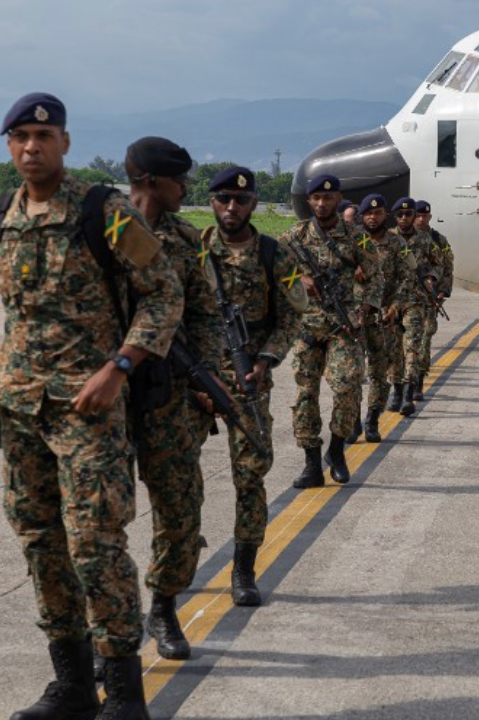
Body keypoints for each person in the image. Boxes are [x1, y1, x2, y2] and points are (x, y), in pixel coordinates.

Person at [0, 93, 182, 719]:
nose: (31, 147)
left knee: (95, 546)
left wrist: (120, 365)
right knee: (41, 545)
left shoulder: (101, 212)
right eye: (19, 136)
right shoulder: (4, 213)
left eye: (42, 137)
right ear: (9, 145)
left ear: (65, 144)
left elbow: (163, 293)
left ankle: (125, 695)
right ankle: (73, 685)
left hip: (86, 411)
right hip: (19, 415)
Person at [124, 136, 223, 660]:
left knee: (182, 510)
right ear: (150, 181)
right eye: (179, 179)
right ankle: (109, 636)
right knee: (98, 523)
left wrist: (210, 380)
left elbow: (206, 315)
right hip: (109, 395)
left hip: (170, 395)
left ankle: (163, 607)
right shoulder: (102, 228)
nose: (186, 188)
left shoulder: (187, 239)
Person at [203, 166, 306, 605]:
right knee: (178, 478)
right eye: (224, 198)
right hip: (195, 378)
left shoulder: (273, 254)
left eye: (241, 200)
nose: (232, 207)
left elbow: (292, 315)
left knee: (250, 474)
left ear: (254, 205)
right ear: (212, 201)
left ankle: (243, 569)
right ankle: (178, 561)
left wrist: (267, 358)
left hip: (249, 378)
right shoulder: (192, 252)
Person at [281, 174, 382, 489]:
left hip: (343, 326)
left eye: (328, 198)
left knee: (349, 385)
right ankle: (312, 463)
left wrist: (363, 310)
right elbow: (274, 275)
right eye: (316, 198)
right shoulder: (292, 237)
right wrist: (297, 281)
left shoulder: (357, 237)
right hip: (307, 329)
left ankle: (336, 450)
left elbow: (376, 276)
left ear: (338, 199)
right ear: (309, 200)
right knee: (305, 395)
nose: (322, 203)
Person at [386, 197, 444, 417]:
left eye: (408, 214)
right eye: (400, 215)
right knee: (393, 350)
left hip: (415, 301)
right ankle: (397, 391)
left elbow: (438, 263)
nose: (404, 218)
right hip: (390, 303)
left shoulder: (425, 240)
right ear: (395, 217)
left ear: (414, 216)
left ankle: (409, 394)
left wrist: (431, 276)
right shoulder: (387, 239)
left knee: (412, 347)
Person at [353, 193, 399, 443]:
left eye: (378, 212)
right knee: (351, 372)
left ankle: (371, 420)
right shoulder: (351, 241)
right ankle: (351, 420)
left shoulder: (396, 244)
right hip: (354, 316)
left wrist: (396, 305)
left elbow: (406, 279)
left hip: (383, 316)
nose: (373, 217)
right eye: (368, 213)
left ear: (385, 215)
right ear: (362, 216)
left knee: (380, 372)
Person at [414, 200, 454, 402]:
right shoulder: (399, 238)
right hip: (404, 299)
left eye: (425, 216)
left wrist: (443, 290)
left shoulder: (438, 240)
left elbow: (447, 266)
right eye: (418, 215)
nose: (421, 220)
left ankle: (418, 381)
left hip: (429, 297)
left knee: (424, 338)